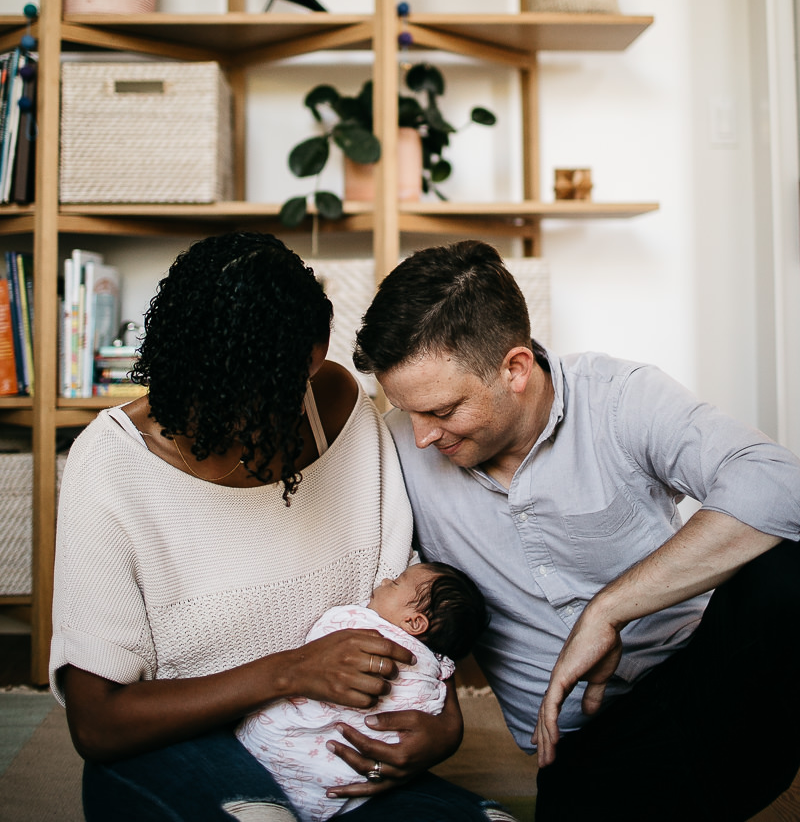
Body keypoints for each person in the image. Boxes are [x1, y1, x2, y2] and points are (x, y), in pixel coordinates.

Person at [50, 232, 515, 822]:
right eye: (200, 399)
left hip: (329, 753)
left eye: (315, 359)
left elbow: (405, 600)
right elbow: (96, 723)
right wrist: (291, 671)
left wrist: (443, 726)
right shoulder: (112, 462)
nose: (217, 426)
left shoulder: (343, 414)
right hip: (178, 748)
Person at [352, 239, 800, 822]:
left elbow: (779, 482)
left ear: (515, 368)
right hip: (585, 752)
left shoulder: (619, 399)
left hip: (711, 690)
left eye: (442, 411)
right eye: (408, 412)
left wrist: (608, 609)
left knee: (786, 566)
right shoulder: (394, 451)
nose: (421, 437)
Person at [237, 562, 489, 821]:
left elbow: (321, 636)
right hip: (342, 784)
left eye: (395, 583)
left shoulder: (360, 623)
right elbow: (432, 707)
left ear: (414, 621)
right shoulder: (436, 671)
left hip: (273, 753)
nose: (383, 581)